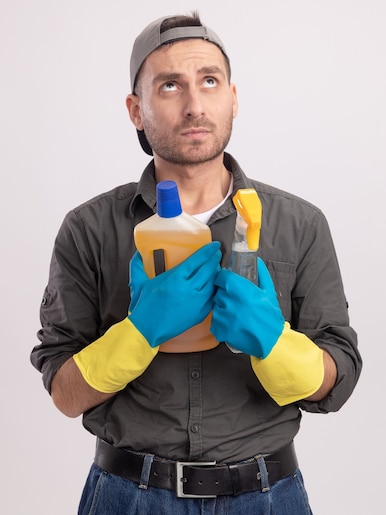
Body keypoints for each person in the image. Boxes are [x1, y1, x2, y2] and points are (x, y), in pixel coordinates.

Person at [31, 12, 361, 515]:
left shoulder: (299, 223)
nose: (194, 105)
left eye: (210, 81)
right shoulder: (89, 228)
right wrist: (139, 332)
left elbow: (339, 379)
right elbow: (65, 392)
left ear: (233, 96)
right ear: (136, 110)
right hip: (127, 497)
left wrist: (273, 342)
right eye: (169, 86)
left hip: (269, 497)